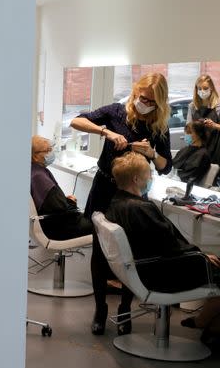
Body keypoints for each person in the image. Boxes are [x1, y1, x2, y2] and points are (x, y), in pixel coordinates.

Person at [70, 72, 173, 335]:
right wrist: (106, 132)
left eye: (150, 100)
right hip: (105, 188)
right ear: (135, 91)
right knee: (100, 252)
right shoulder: (116, 112)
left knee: (131, 253)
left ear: (159, 103)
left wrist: (151, 153)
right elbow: (76, 121)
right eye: (142, 97)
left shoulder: (158, 126)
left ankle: (125, 308)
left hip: (134, 195)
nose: (144, 102)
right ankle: (100, 309)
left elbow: (165, 166)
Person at [105, 152, 220, 335]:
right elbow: (169, 247)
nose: (151, 178)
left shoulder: (117, 202)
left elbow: (164, 243)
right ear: (136, 179)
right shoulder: (140, 208)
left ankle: (204, 321)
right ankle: (210, 327)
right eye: (148, 175)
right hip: (160, 272)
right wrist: (200, 255)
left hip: (141, 269)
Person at [30, 135, 93, 240]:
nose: (51, 153)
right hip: (58, 226)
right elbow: (59, 207)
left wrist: (63, 200)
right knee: (100, 226)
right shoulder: (39, 176)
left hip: (49, 221)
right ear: (35, 156)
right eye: (48, 150)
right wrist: (71, 201)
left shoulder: (33, 170)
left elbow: (52, 202)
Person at [186, 75, 220, 174]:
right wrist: (194, 127)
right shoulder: (192, 106)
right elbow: (188, 131)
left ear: (212, 88)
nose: (202, 91)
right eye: (199, 88)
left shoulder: (217, 106)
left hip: (215, 149)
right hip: (198, 150)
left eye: (205, 88)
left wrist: (214, 125)